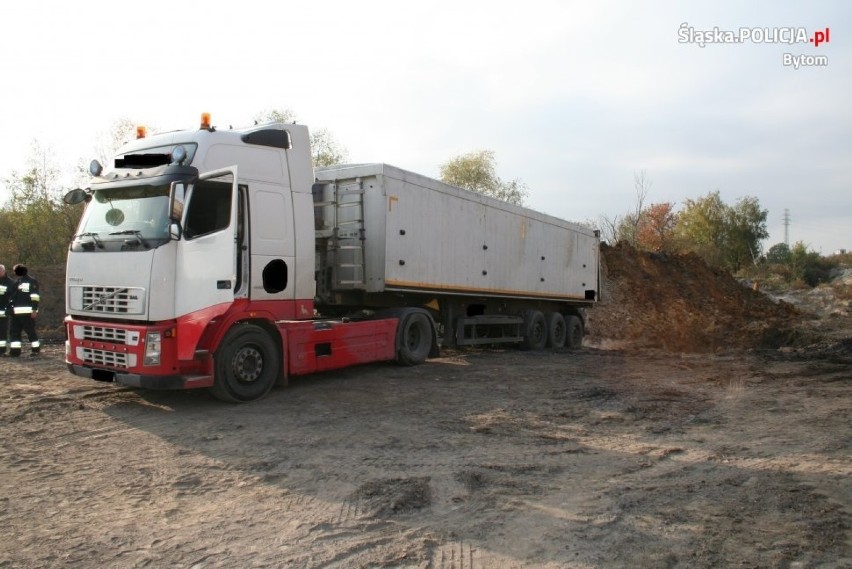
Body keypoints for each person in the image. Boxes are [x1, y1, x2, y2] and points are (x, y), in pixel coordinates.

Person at [7, 264, 40, 357]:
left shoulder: (32, 282)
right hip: (16, 314)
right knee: (14, 332)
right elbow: (13, 297)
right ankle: (14, 352)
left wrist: (34, 310)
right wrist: (10, 308)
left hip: (27, 313)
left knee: (30, 332)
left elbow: (35, 297)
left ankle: (35, 350)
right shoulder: (17, 282)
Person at [0, 264, 13, 356]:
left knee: (2, 332)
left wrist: (8, 308)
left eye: (1, 270)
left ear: (4, 271)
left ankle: (1, 350)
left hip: (3, 312)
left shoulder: (10, 283)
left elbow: (13, 297)